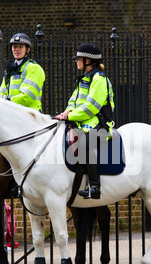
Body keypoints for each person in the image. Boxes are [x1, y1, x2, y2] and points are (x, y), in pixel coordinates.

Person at [55, 43, 115, 199]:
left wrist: (70, 116)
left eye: (78, 59)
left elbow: (91, 107)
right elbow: (74, 101)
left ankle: (95, 187)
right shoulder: (84, 79)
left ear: (87, 61)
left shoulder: (99, 79)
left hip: (101, 125)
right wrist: (67, 111)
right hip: (82, 123)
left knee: (83, 145)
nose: (76, 61)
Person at [0, 33, 45, 111]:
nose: (17, 49)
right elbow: (1, 93)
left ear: (28, 50)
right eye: (15, 46)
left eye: (21, 47)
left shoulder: (34, 68)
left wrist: (7, 102)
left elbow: (27, 97)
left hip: (29, 114)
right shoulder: (10, 69)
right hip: (11, 112)